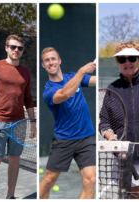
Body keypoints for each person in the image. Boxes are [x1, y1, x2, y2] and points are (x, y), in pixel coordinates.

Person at [0, 34, 36, 199]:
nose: (16, 50)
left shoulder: (25, 72)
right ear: (6, 48)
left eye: (19, 48)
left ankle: (10, 196)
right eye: (13, 47)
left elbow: (28, 99)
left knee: (15, 160)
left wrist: (32, 123)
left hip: (20, 124)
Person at [39, 47, 96, 199]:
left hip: (86, 138)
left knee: (91, 180)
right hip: (64, 140)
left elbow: (96, 80)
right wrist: (82, 71)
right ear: (43, 65)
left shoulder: (73, 77)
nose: (51, 62)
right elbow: (65, 93)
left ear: (59, 61)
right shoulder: (48, 91)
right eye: (47, 60)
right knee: (48, 181)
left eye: (53, 59)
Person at [99, 42, 139, 199]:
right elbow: (104, 122)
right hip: (124, 158)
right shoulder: (112, 89)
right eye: (122, 60)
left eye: (132, 58)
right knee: (131, 197)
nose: (127, 62)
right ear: (118, 63)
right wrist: (112, 139)